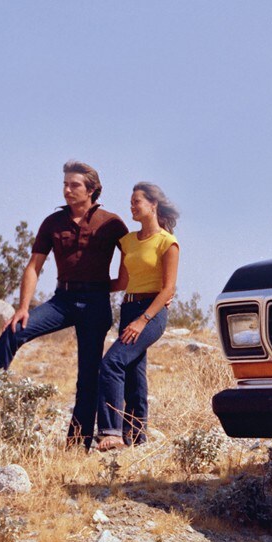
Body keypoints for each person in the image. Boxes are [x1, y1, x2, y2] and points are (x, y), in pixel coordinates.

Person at [0, 161, 128, 448]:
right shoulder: (52, 222)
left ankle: (77, 444)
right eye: (65, 184)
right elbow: (34, 266)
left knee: (87, 377)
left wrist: (118, 284)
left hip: (96, 303)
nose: (67, 190)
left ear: (92, 190)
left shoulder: (112, 223)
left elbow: (137, 254)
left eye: (74, 185)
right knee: (14, 331)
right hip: (62, 300)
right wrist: (22, 307)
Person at [93, 183, 180, 451]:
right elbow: (121, 281)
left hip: (151, 312)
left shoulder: (167, 242)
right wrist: (90, 285)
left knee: (111, 363)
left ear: (153, 205)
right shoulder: (128, 241)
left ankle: (111, 432)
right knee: (134, 370)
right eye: (130, 202)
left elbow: (168, 288)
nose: (132, 206)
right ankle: (137, 435)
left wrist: (143, 319)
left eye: (137, 201)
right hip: (128, 307)